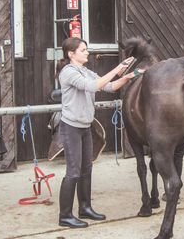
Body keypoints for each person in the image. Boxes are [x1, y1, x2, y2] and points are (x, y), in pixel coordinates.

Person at [56, 37, 143, 228]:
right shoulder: (68, 72)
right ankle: (65, 216)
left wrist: (128, 76)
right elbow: (94, 86)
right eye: (83, 50)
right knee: (73, 171)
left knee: (86, 168)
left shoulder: (85, 71)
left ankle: (85, 208)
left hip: (86, 126)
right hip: (71, 127)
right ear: (71, 54)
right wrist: (117, 67)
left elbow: (109, 87)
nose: (87, 52)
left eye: (87, 49)